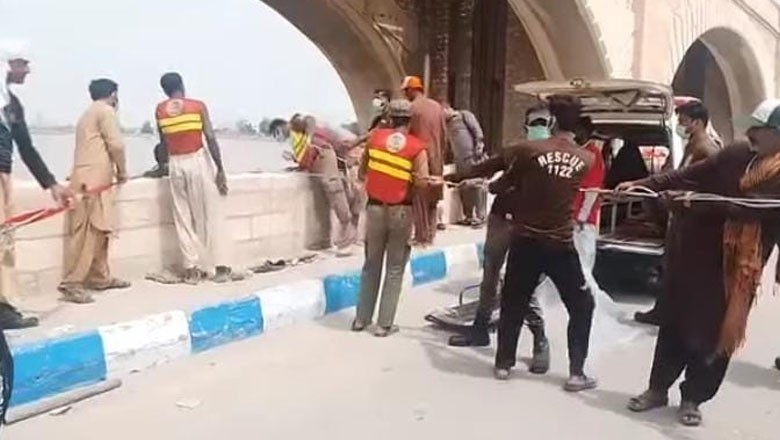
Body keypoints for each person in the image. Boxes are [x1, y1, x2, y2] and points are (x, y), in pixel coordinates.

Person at [622, 98, 780, 427]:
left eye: (760, 130)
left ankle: (694, 397)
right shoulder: (736, 154)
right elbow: (690, 174)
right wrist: (645, 185)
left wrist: (694, 204)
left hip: (737, 270)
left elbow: (751, 208)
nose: (750, 133)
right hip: (695, 254)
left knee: (716, 335)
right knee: (676, 323)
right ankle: (656, 389)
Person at [484, 96, 596, 391]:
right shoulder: (587, 159)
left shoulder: (528, 150)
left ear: (552, 122)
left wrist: (469, 180)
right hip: (560, 244)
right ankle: (576, 374)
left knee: (513, 302)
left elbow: (501, 180)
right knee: (582, 305)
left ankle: (503, 364)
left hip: (526, 240)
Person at [445, 105, 552, 375]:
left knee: (523, 285)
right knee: (490, 276)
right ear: (525, 126)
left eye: (543, 122)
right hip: (501, 220)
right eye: (534, 122)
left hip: (529, 225)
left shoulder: (556, 157)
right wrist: (452, 177)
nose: (538, 126)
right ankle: (480, 330)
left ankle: (540, 340)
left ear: (551, 125)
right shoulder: (514, 151)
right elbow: (483, 168)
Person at [352, 99, 441, 336]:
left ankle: (361, 319)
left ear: (389, 119)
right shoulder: (416, 147)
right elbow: (421, 182)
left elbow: (362, 173)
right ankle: (383, 324)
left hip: (374, 210)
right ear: (410, 120)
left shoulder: (375, 140)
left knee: (371, 264)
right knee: (394, 267)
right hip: (402, 211)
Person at [0, 40, 72, 328]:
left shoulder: (11, 105)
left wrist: (52, 185)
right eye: (23, 63)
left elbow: (26, 147)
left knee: (5, 242)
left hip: (3, 175)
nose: (28, 71)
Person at [635, 100, 722, 325]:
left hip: (692, 215)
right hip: (680, 212)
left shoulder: (706, 148)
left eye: (683, 122)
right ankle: (662, 311)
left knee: (682, 267)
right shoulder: (693, 144)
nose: (680, 126)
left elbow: (700, 181)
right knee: (671, 264)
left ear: (697, 122)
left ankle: (680, 316)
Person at [155, 72, 232, 284]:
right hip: (197, 160)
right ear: (182, 85)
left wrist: (161, 166)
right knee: (206, 214)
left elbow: (163, 144)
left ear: (165, 90)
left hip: (175, 163)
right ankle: (216, 266)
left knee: (182, 217)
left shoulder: (160, 110)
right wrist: (220, 169)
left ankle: (192, 268)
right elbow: (210, 138)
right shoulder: (197, 106)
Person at [57, 79, 130, 304]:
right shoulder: (105, 112)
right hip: (94, 181)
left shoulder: (87, 114)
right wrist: (123, 171)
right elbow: (116, 145)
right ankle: (72, 283)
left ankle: (99, 277)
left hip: (86, 177)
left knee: (100, 230)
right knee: (88, 232)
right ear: (113, 94)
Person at [288, 114, 361, 254]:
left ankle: (345, 244)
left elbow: (309, 157)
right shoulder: (320, 135)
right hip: (332, 174)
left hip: (331, 177)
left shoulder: (314, 139)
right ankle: (331, 242)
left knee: (342, 210)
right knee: (329, 207)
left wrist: (299, 164)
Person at [402, 76, 446, 246]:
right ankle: (431, 235)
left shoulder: (412, 108)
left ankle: (421, 237)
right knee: (433, 198)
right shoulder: (437, 107)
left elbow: (408, 135)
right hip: (437, 157)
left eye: (406, 91)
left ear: (412, 90)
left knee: (419, 198)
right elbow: (444, 134)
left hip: (420, 157)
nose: (405, 95)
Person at [572, 116, 607, 282]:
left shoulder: (593, 155)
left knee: (582, 264)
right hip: (570, 216)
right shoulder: (576, 151)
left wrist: (581, 218)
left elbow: (591, 191)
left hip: (582, 221)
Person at [444, 103, 487, 226]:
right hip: (460, 160)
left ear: (448, 109)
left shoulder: (464, 115)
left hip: (472, 156)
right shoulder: (447, 125)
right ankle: (468, 215)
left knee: (477, 185)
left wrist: (479, 145)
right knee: (464, 187)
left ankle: (481, 216)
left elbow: (476, 130)